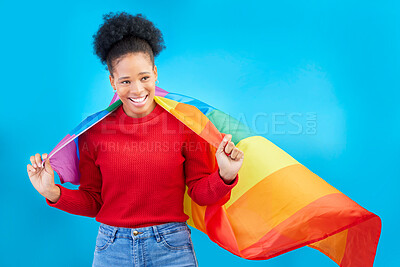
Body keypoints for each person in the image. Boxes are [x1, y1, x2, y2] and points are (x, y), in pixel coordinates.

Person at [27, 11, 244, 267]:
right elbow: (94, 202)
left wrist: (225, 175)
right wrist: (51, 192)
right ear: (112, 82)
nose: (137, 90)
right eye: (126, 81)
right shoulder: (93, 132)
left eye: (144, 78)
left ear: (155, 73)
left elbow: (200, 194)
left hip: (171, 248)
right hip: (111, 249)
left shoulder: (186, 123)